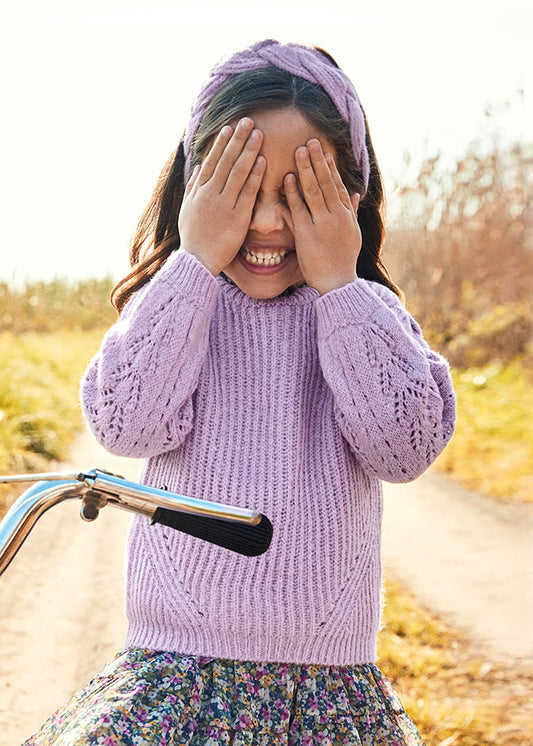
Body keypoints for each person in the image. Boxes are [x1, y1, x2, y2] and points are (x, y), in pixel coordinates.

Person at [25, 39, 456, 745]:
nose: (263, 222)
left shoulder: (364, 318)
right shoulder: (181, 305)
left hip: (322, 691)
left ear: (350, 197)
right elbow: (126, 425)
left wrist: (341, 289)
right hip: (174, 677)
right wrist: (192, 263)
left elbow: (403, 449)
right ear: (196, 190)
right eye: (240, 191)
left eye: (298, 195)